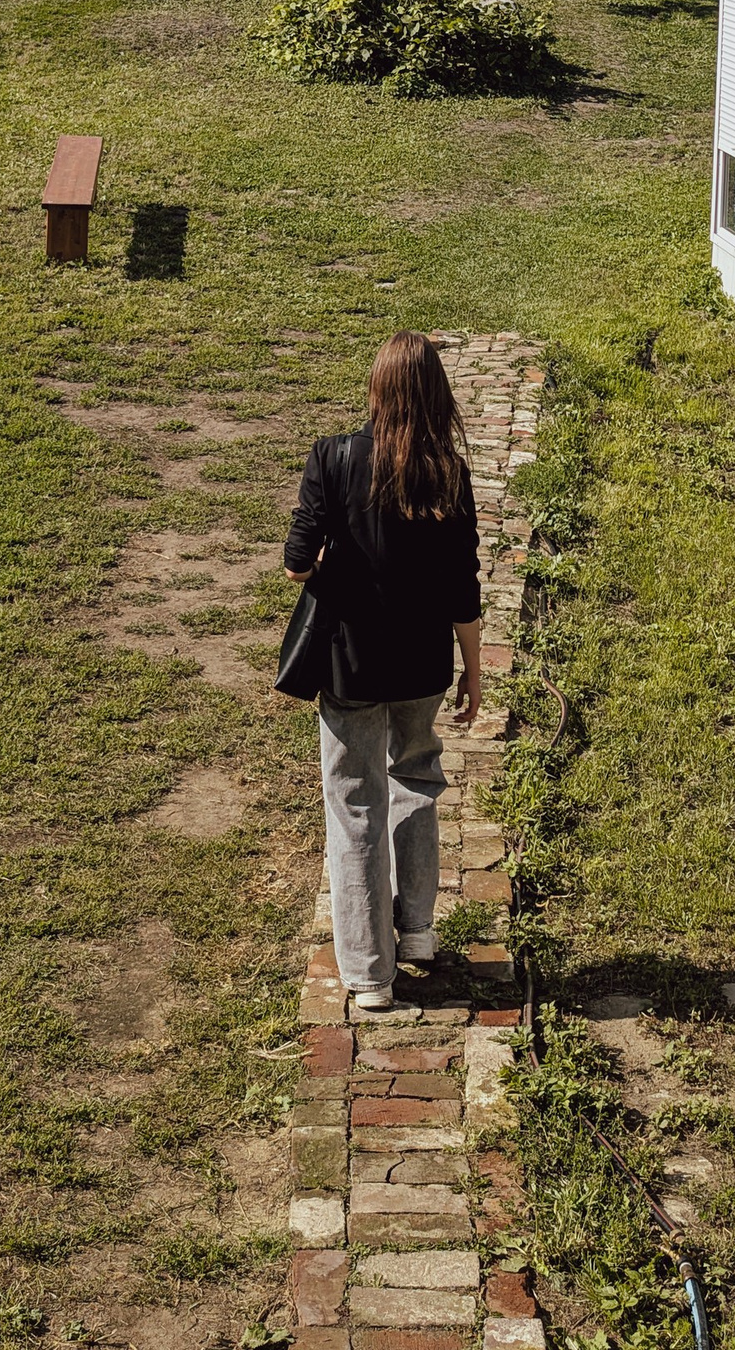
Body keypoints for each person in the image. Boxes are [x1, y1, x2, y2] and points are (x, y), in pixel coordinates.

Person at [283, 331, 485, 1015]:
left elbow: (297, 560)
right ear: (437, 394)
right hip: (424, 663)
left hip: (349, 662)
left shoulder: (334, 457)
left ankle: (370, 972)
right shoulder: (450, 474)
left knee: (355, 801)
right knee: (418, 782)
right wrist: (474, 670)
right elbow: (465, 587)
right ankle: (420, 932)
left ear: (376, 388)